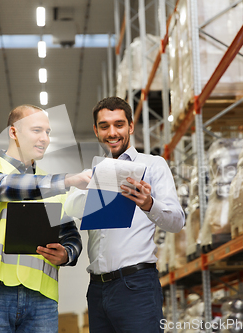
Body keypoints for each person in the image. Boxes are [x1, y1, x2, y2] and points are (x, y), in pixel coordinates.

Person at [0, 104, 91, 333]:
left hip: (42, 299)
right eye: (37, 130)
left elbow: (71, 234)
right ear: (13, 132)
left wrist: (67, 253)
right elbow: (5, 186)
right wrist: (66, 180)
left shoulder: (49, 182)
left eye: (48, 132)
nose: (45, 138)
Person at [64, 97, 185, 333]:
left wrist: (149, 204)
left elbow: (177, 221)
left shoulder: (153, 165)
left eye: (119, 124)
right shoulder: (91, 174)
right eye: (104, 126)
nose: (112, 132)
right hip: (97, 290)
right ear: (96, 131)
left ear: (130, 126)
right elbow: (70, 207)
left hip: (136, 286)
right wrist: (98, 190)